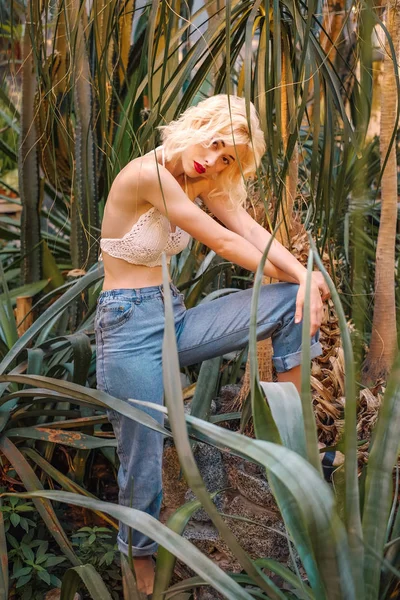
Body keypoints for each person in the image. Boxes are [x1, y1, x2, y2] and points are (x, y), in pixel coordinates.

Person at [95, 95, 329, 596]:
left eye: (228, 157)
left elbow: (245, 228)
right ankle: (139, 559)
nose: (214, 158)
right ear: (194, 126)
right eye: (214, 141)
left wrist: (303, 280)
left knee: (288, 300)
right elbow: (222, 243)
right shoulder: (147, 174)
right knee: (143, 457)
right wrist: (306, 277)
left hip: (173, 318)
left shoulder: (202, 179)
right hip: (127, 329)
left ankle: (294, 437)